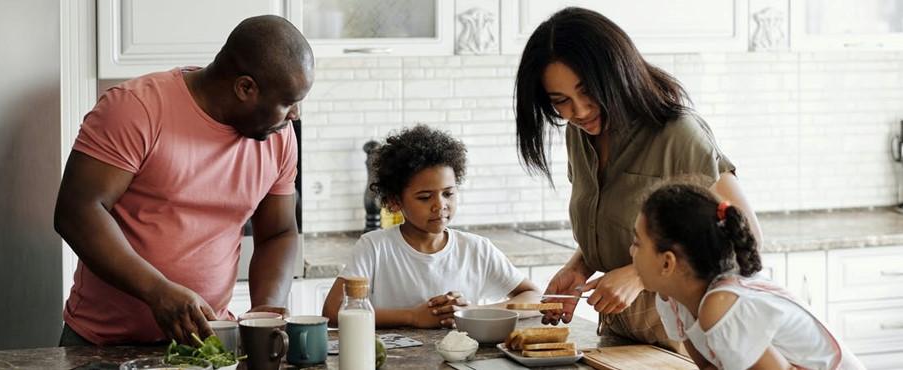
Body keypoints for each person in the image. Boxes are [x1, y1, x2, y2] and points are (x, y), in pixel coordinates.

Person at [53, 15, 313, 346]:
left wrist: (266, 310)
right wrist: (156, 290)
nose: (296, 115)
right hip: (103, 344)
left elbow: (278, 233)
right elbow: (77, 212)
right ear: (245, 87)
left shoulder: (278, 137)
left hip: (203, 344)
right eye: (288, 102)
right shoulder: (136, 109)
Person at [513, 7, 763, 350]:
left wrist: (638, 276)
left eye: (588, 92)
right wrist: (580, 265)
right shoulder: (580, 134)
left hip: (685, 341)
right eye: (561, 102)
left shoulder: (677, 133)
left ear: (616, 74)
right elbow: (623, 225)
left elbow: (743, 237)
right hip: (622, 336)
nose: (580, 111)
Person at [322, 125, 540, 328]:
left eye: (448, 193)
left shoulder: (476, 249)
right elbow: (332, 311)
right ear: (395, 201)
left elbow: (534, 297)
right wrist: (412, 316)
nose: (440, 205)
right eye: (425, 197)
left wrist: (474, 311)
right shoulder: (374, 247)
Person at [632, 181, 863, 370]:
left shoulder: (722, 306)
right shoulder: (672, 299)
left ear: (667, 262)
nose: (631, 252)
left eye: (637, 243)